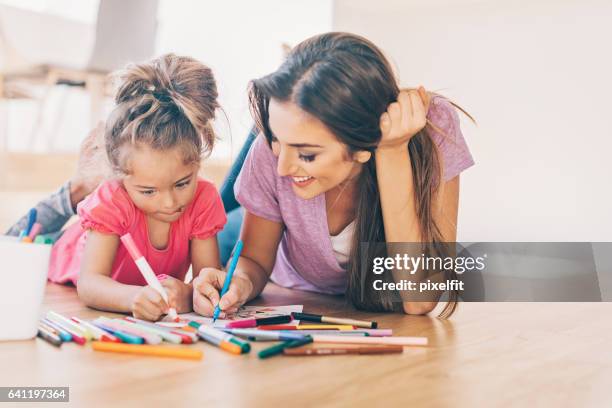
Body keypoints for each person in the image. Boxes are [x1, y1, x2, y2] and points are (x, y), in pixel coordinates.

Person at [192, 32, 475, 318]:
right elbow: (252, 259)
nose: (282, 168)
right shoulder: (269, 154)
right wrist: (238, 283)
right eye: (277, 139)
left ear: (363, 146)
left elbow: (420, 299)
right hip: (257, 234)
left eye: (307, 154)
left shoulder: (432, 131)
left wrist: (392, 150)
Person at [46, 54, 226, 321]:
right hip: (58, 259)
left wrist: (189, 295)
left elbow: (207, 281)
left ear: (198, 163)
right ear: (120, 177)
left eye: (182, 183)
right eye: (148, 191)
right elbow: (90, 285)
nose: (168, 202)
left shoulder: (204, 198)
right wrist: (132, 298)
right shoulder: (112, 200)